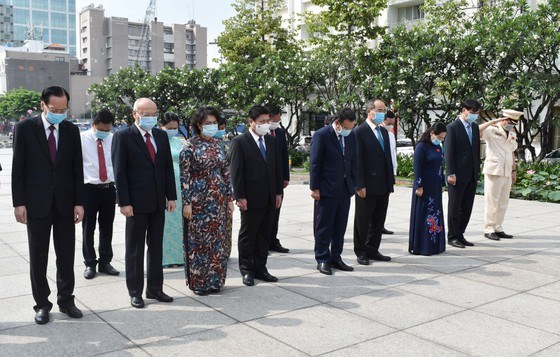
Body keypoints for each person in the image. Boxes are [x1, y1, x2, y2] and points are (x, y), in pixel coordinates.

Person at [12, 86, 84, 324]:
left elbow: (76, 169)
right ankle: (42, 303)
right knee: (39, 255)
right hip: (36, 203)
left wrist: (79, 202)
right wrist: (19, 202)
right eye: (55, 109)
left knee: (66, 255)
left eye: (64, 109)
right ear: (42, 105)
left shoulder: (71, 130)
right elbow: (18, 168)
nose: (60, 113)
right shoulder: (25, 129)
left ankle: (66, 300)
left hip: (64, 203)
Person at [112, 98, 177, 308]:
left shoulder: (160, 135)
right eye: (145, 114)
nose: (150, 118)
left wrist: (171, 196)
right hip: (135, 203)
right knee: (135, 248)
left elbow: (166, 167)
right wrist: (124, 202)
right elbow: (119, 172)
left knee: (156, 246)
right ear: (135, 114)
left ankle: (155, 288)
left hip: (158, 201)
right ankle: (135, 291)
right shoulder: (123, 136)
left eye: (153, 114)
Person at [180, 107, 233, 295]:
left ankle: (215, 281)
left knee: (218, 241)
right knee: (199, 241)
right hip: (198, 201)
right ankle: (199, 282)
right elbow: (184, 176)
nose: (211, 126)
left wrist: (229, 199)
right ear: (198, 125)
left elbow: (226, 173)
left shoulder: (220, 145)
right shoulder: (189, 146)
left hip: (218, 200)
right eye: (207, 123)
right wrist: (186, 203)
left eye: (214, 123)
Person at [230, 105, 283, 287]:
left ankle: (261, 268)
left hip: (269, 196)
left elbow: (275, 169)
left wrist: (278, 193)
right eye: (262, 122)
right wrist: (239, 196)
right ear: (251, 122)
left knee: (264, 234)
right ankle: (246, 270)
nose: (266, 125)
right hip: (250, 198)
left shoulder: (271, 141)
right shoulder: (240, 142)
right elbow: (236, 172)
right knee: (248, 235)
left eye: (268, 121)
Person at [310, 108, 358, 275]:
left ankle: (336, 257)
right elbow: (315, 163)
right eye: (346, 127)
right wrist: (314, 188)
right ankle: (322, 258)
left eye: (351, 127)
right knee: (324, 225)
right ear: (337, 123)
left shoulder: (350, 136)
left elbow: (352, 160)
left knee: (340, 226)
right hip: (326, 189)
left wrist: (355, 184)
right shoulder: (322, 135)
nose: (348, 130)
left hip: (344, 188)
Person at [353, 98, 395, 265]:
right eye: (379, 110)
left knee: (378, 220)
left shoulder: (384, 132)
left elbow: (387, 158)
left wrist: (390, 182)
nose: (382, 114)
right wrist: (359, 184)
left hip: (383, 184)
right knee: (363, 220)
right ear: (369, 111)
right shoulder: (359, 132)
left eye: (384, 111)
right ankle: (361, 250)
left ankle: (373, 249)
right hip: (367, 185)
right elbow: (357, 161)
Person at [81, 109, 119, 279]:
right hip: (89, 189)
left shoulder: (114, 139)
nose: (104, 133)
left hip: (108, 189)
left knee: (107, 227)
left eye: (107, 130)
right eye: (101, 130)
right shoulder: (81, 139)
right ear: (93, 124)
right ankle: (90, 263)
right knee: (88, 228)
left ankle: (105, 261)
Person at [479, 109, 521, 240]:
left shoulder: (512, 133)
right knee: (492, 201)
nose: (511, 125)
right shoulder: (492, 129)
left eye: (513, 123)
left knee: (503, 201)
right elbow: (477, 130)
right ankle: (489, 228)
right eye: (509, 122)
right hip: (494, 170)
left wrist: (514, 170)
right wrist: (492, 121)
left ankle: (498, 227)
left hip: (507, 170)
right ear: (503, 119)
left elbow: (512, 152)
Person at [445, 99, 482, 248]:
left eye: (477, 113)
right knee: (455, 206)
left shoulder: (474, 127)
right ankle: (452, 236)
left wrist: (477, 171)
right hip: (457, 175)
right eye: (472, 113)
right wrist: (451, 173)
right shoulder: (452, 127)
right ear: (463, 110)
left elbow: (476, 151)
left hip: (471, 174)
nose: (474, 116)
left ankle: (461, 234)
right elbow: (448, 152)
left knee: (467, 206)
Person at [409, 122, 447, 256]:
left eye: (443, 138)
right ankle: (422, 246)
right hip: (424, 185)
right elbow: (417, 167)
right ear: (432, 133)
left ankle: (435, 245)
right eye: (440, 137)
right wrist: (418, 186)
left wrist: (443, 183)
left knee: (435, 213)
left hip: (435, 186)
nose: (441, 140)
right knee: (424, 213)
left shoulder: (438, 147)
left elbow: (441, 166)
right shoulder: (421, 147)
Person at [160, 112, 184, 267]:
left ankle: (178, 257)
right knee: (164, 224)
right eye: (169, 128)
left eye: (175, 128)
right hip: (162, 185)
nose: (173, 130)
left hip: (179, 186)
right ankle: (164, 258)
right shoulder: (157, 141)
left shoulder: (180, 142)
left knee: (178, 222)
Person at [266, 104, 290, 254]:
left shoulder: (280, 133)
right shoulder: (261, 134)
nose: (277, 121)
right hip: (264, 180)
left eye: (278, 119)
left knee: (276, 210)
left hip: (278, 180)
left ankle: (272, 240)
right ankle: (263, 242)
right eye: (275, 119)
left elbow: (284, 155)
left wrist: (285, 177)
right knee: (265, 213)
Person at [215, 114, 234, 258]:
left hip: (226, 187)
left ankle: (225, 252)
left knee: (227, 221)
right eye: (218, 128)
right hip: (209, 189)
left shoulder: (228, 143)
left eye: (223, 128)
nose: (221, 130)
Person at [380, 110, 398, 235]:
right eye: (389, 122)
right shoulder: (378, 134)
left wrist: (394, 170)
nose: (390, 125)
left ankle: (381, 224)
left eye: (392, 123)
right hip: (378, 173)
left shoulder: (390, 135)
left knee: (384, 200)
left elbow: (393, 154)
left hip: (389, 172)